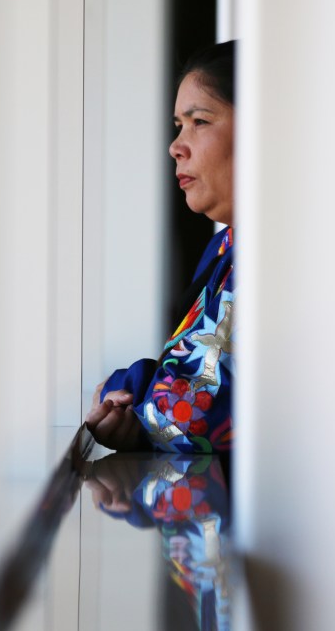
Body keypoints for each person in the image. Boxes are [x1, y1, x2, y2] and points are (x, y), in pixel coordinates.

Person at [86, 40, 236, 453]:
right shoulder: (226, 247)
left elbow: (208, 411)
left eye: (199, 122)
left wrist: (126, 388)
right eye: (178, 126)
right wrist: (136, 421)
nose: (176, 146)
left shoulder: (280, 258)